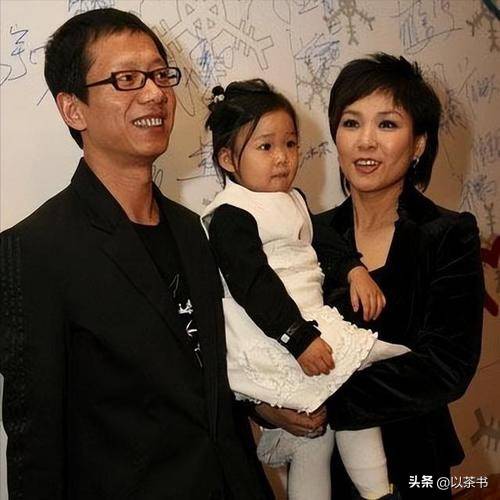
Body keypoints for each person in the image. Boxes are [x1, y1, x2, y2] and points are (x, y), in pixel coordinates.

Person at [0, 9, 273, 500]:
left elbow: (197, 382)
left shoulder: (193, 230)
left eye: (160, 75)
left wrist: (262, 408)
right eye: (126, 79)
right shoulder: (34, 250)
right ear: (73, 110)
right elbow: (35, 448)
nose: (154, 94)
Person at [257, 53, 484, 499]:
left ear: (418, 144)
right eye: (351, 123)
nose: (365, 141)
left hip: (416, 463)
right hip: (324, 467)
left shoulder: (448, 234)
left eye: (387, 124)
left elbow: (446, 367)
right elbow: (265, 334)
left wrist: (320, 399)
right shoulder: (306, 233)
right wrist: (267, 407)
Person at [201, 79, 410, 500]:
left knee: (326, 430)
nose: (282, 157)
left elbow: (324, 242)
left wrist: (353, 270)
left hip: (308, 324)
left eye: (291, 144)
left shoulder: (293, 198)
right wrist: (298, 338)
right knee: (330, 418)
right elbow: (254, 286)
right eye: (265, 147)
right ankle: (377, 492)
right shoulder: (230, 215)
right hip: (276, 333)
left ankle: (377, 491)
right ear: (227, 159)